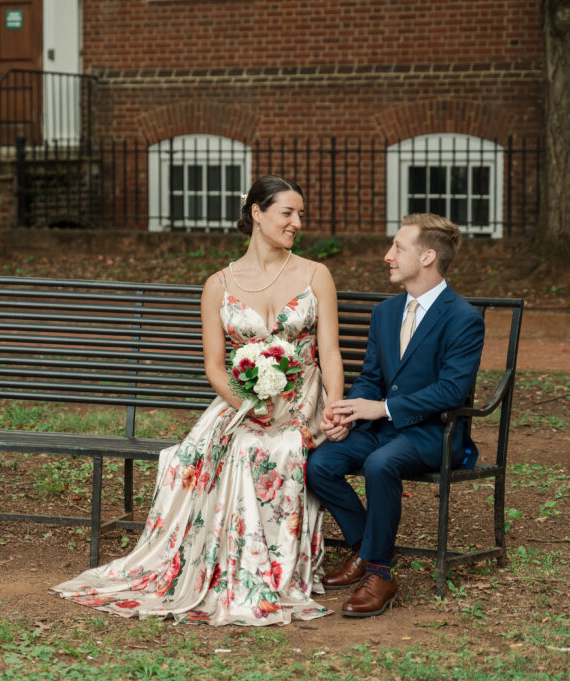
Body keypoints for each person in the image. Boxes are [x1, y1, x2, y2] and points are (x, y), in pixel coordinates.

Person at [51, 175, 344, 626]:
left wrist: (334, 408)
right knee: (207, 451)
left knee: (269, 449)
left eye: (300, 214)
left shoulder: (315, 274)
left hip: (302, 397)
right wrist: (248, 402)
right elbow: (214, 366)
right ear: (257, 213)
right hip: (244, 398)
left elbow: (331, 353)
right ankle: (229, 568)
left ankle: (264, 573)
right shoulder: (218, 285)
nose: (297, 223)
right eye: (287, 213)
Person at [307, 213, 484, 618]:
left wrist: (384, 408)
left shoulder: (463, 318)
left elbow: (451, 390)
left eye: (398, 248)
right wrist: (349, 413)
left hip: (432, 433)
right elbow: (371, 378)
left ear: (427, 257)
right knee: (319, 464)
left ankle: (379, 574)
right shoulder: (385, 313)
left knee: (380, 464)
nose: (388, 256)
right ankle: (366, 548)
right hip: (381, 428)